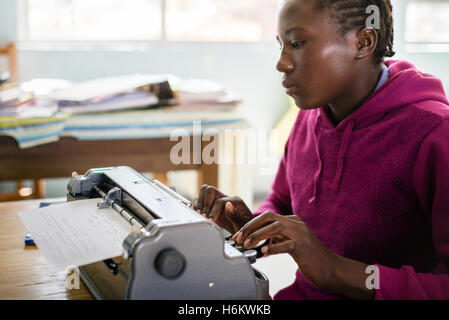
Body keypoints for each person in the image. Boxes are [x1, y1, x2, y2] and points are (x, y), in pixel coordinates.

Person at [194, 0, 449, 299]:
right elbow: (282, 200)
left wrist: (334, 270)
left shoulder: (434, 134)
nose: (282, 63)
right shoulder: (308, 117)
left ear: (363, 42)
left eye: (298, 43)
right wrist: (249, 226)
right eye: (281, 45)